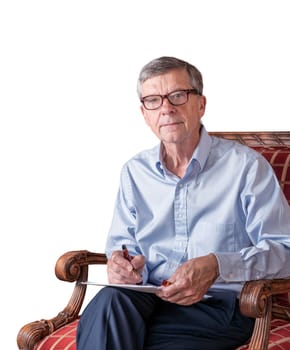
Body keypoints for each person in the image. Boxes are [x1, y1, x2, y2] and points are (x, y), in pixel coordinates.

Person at [76, 56, 290, 350]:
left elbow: (285, 252)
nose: (166, 108)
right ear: (144, 113)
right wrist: (121, 264)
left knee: (109, 336)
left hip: (219, 307)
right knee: (108, 304)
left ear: (201, 104)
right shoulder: (134, 172)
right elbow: (122, 246)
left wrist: (217, 265)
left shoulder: (246, 167)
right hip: (147, 299)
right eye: (153, 100)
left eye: (178, 95)